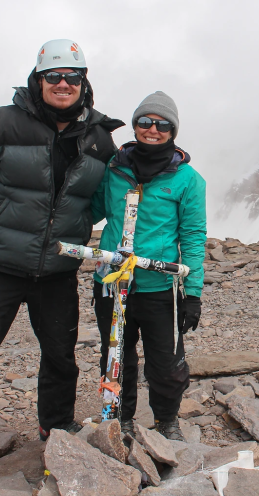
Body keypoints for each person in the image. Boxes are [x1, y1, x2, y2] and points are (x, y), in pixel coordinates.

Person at [0, 39, 124, 496]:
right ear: (38, 80)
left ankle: (56, 430)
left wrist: (169, 160)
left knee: (60, 358)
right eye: (54, 76)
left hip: (57, 271)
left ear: (84, 82)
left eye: (73, 76)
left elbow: (114, 190)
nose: (63, 84)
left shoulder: (98, 138)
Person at [92, 91, 206, 441]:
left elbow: (193, 236)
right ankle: (120, 420)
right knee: (116, 356)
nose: (152, 129)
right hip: (111, 283)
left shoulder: (187, 180)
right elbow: (90, 209)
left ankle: (166, 422)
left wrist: (193, 294)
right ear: (136, 124)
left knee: (166, 362)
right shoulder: (113, 168)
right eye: (145, 122)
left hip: (160, 287)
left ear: (173, 130)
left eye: (162, 124)